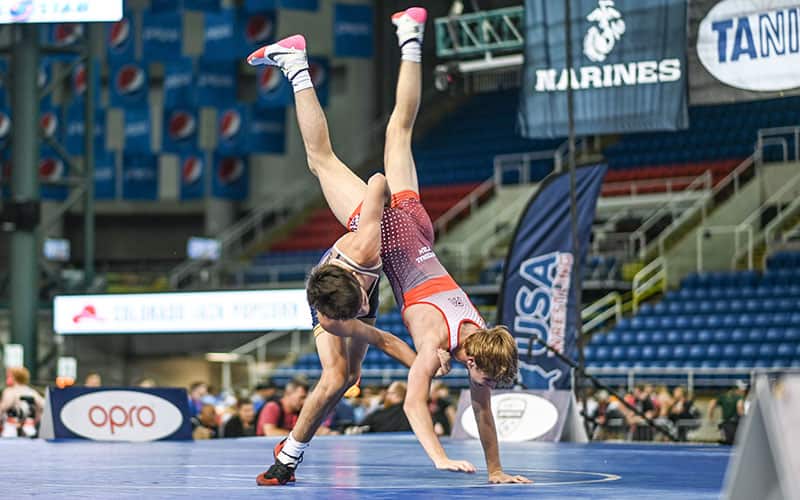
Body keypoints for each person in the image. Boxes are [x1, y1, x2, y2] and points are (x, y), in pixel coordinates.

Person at [248, 7, 529, 486]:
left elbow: (483, 414)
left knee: (400, 128)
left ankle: (410, 33)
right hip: (387, 234)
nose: (488, 391)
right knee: (321, 160)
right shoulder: (437, 343)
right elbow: (413, 404)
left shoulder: (484, 337)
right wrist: (439, 457)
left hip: (420, 230)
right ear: (475, 362)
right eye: (488, 381)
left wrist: (496, 469)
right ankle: (296, 65)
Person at [1, 367, 44, 438]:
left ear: (14, 377)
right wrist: (36, 420)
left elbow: (2, 408)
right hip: (30, 429)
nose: (7, 378)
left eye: (8, 376)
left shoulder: (10, 391)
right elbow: (43, 407)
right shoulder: (32, 392)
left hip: (11, 429)